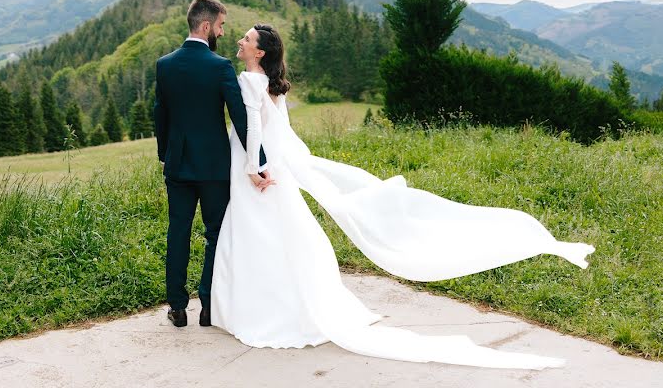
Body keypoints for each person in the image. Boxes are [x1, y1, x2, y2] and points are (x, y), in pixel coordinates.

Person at [209, 23, 595, 369]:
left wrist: (253, 169)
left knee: (259, 235)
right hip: (275, 169)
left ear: (259, 53)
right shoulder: (274, 86)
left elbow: (253, 128)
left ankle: (261, 312)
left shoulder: (248, 81)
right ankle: (290, 305)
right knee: (282, 235)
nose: (240, 42)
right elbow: (283, 133)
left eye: (246, 39)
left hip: (259, 172)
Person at [153, 0, 272, 329]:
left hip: (177, 164)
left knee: (178, 231)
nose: (222, 31)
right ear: (206, 26)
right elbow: (241, 117)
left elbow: (159, 115)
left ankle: (177, 306)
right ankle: (207, 305)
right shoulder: (220, 67)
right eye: (220, 25)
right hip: (214, 167)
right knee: (215, 234)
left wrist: (165, 155)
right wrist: (258, 161)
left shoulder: (165, 65)